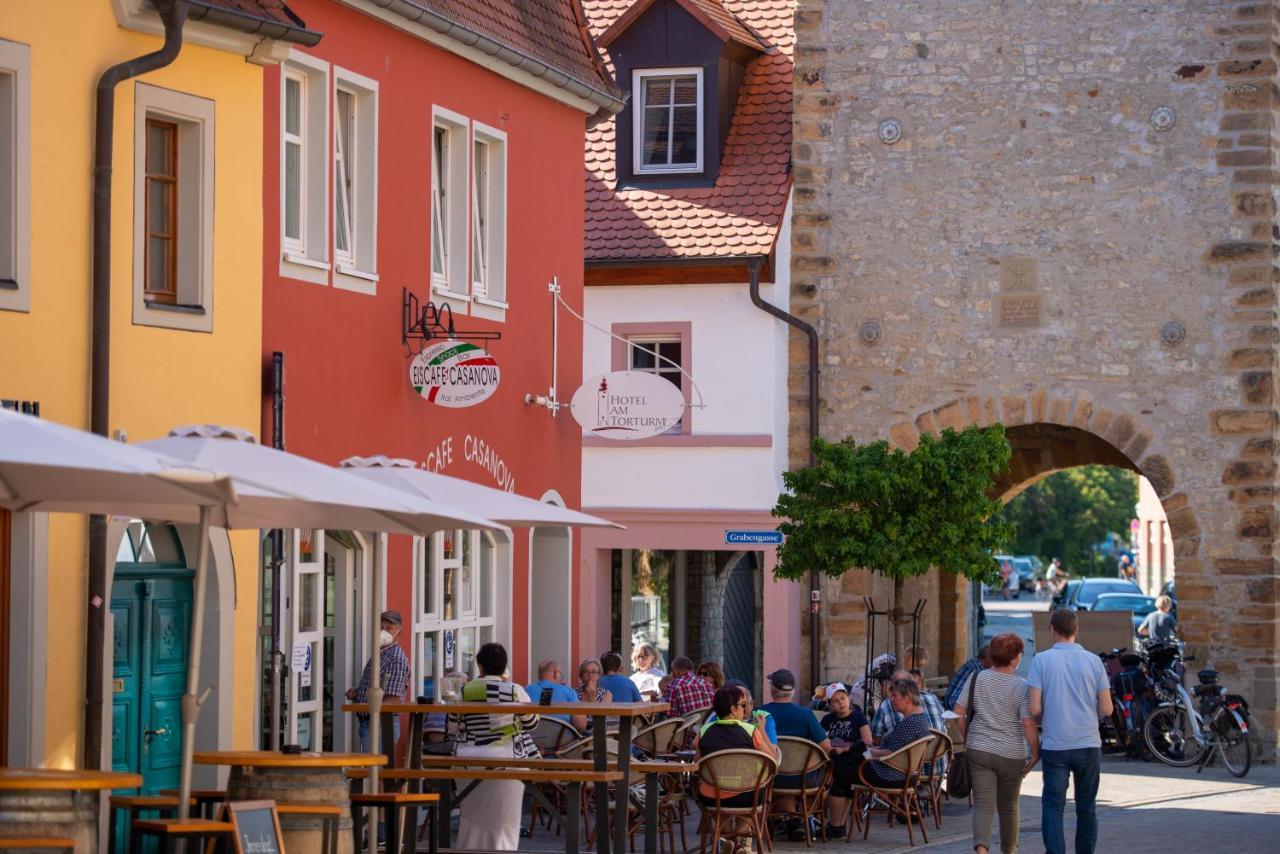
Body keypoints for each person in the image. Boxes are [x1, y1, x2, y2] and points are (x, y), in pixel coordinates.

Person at [1028, 608, 1112, 854]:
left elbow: (1033, 708)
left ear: (1052, 630)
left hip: (1056, 744)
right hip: (1088, 742)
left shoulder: (1041, 661)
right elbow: (1107, 708)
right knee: (1086, 806)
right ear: (1076, 630)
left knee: (1053, 806)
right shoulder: (1094, 661)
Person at [955, 633, 1039, 854]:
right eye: (1020, 653)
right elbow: (1027, 723)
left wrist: (968, 736)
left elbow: (958, 712)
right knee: (1009, 807)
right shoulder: (1021, 686)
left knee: (983, 804)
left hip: (979, 749)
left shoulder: (976, 677)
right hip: (1012, 753)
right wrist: (1035, 752)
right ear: (1015, 659)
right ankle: (1009, 851)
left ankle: (982, 851)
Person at [452, 642, 540, 850]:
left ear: (480, 666)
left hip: (467, 760)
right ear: (504, 667)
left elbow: (453, 727)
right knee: (504, 818)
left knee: (473, 815)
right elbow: (531, 723)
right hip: (507, 759)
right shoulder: (514, 691)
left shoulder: (464, 691)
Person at [695, 683, 779, 797]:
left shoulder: (704, 730)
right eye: (743, 705)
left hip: (711, 796)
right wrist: (762, 730)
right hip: (746, 795)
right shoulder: (751, 731)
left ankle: (720, 815)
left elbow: (697, 765)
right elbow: (772, 761)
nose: (744, 710)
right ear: (734, 709)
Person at [346, 610, 410, 752]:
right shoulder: (381, 653)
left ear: (398, 633)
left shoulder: (396, 659)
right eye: (381, 628)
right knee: (373, 771)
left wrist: (370, 703)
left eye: (389, 628)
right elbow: (380, 689)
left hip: (380, 726)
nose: (383, 632)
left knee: (374, 771)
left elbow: (393, 700)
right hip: (370, 724)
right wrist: (358, 693)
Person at [818, 682, 872, 839]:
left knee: (838, 777)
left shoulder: (858, 717)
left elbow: (868, 741)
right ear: (830, 704)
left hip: (853, 760)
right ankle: (837, 826)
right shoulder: (828, 719)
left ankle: (835, 825)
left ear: (849, 699)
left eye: (843, 698)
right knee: (833, 773)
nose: (841, 702)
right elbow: (821, 739)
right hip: (832, 758)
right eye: (836, 701)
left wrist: (845, 749)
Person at [861, 678, 933, 787]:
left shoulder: (910, 723)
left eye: (895, 696)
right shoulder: (919, 718)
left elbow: (890, 754)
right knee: (850, 761)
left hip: (891, 776)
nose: (891, 700)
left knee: (844, 769)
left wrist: (868, 752)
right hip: (903, 774)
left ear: (907, 698)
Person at [526, 659, 587, 732]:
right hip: (562, 740)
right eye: (561, 674)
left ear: (539, 676)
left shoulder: (525, 690)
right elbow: (580, 725)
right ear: (556, 673)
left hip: (532, 739)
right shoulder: (568, 691)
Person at [944, 644, 992, 711]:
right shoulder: (977, 669)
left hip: (952, 702)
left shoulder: (974, 663)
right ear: (988, 658)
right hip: (954, 704)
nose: (994, 662)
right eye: (993, 658)